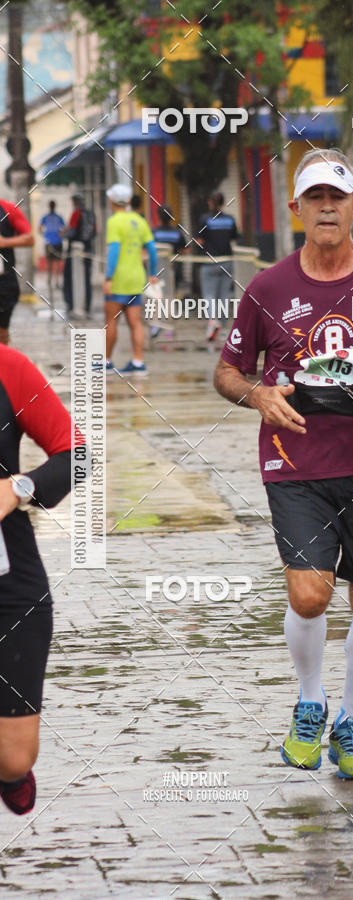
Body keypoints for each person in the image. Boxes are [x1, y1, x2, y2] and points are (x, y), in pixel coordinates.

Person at [214, 149, 353, 779]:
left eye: (337, 198)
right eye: (314, 197)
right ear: (296, 210)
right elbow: (227, 371)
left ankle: (349, 720)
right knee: (310, 595)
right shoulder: (268, 288)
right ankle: (309, 703)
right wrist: (257, 393)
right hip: (295, 461)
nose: (327, 207)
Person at [0, 345, 83, 815]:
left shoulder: (8, 367)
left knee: (13, 759)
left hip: (11, 585)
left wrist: (18, 486)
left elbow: (76, 455)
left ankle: (9, 773)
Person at [102, 183, 158, 375]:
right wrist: (153, 272)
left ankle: (107, 362)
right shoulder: (139, 221)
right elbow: (151, 249)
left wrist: (108, 277)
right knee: (136, 322)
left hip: (119, 279)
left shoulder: (114, 221)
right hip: (137, 279)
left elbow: (114, 251)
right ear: (127, 201)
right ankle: (138, 361)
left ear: (111, 201)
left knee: (111, 320)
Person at [197, 192, 238, 342]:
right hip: (227, 261)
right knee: (223, 296)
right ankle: (223, 329)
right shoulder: (230, 220)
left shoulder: (205, 219)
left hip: (209, 262)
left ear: (210, 202)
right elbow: (234, 239)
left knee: (209, 295)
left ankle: (213, 322)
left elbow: (200, 240)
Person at [0, 198, 34, 345]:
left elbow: (30, 239)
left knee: (1, 332)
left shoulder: (7, 208)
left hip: (3, 283)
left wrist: (4, 242)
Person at [62, 194, 96, 317]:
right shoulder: (91, 214)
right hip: (88, 250)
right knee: (87, 278)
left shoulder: (76, 213)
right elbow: (95, 232)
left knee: (70, 277)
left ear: (75, 202)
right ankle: (87, 305)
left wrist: (63, 233)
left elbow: (71, 231)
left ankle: (72, 304)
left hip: (74, 252)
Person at [39, 200, 64, 292]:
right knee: (55, 262)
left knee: (50, 262)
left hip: (49, 242)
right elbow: (64, 228)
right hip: (56, 241)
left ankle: (51, 280)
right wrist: (60, 235)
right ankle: (54, 281)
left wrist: (45, 235)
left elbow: (39, 228)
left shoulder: (46, 217)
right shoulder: (58, 217)